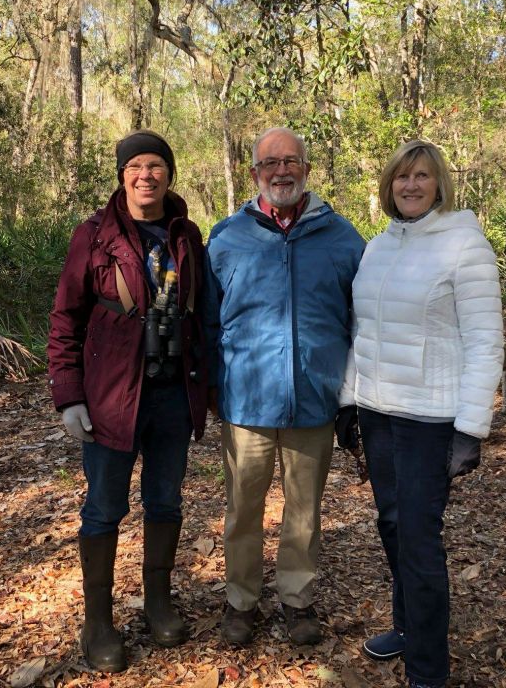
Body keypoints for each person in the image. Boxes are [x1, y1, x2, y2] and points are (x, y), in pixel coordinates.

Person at [337, 139, 502, 688]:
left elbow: (485, 342)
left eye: (422, 177)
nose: (410, 185)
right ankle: (407, 627)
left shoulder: (465, 245)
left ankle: (429, 669)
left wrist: (470, 428)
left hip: (431, 419)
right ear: (389, 185)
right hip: (379, 411)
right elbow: (363, 331)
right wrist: (348, 401)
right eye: (402, 177)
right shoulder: (379, 246)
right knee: (391, 525)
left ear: (439, 184)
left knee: (419, 537)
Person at [47, 130, 208, 673]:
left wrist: (205, 390)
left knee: (165, 502)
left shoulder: (187, 235)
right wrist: (68, 396)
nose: (146, 174)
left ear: (169, 173)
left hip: (170, 397)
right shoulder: (93, 236)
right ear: (122, 175)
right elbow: (65, 318)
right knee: (104, 507)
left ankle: (158, 603)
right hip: (113, 400)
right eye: (136, 165)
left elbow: (202, 318)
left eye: (156, 165)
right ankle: (98, 623)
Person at [203, 126, 365, 646]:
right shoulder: (227, 238)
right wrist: (209, 390)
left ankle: (298, 600)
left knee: (304, 513)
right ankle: (241, 602)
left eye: (291, 161)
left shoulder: (343, 239)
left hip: (314, 400)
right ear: (254, 173)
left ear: (307, 169)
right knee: (242, 510)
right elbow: (207, 322)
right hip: (246, 402)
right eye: (270, 163)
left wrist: (356, 396)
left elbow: (364, 322)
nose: (281, 171)